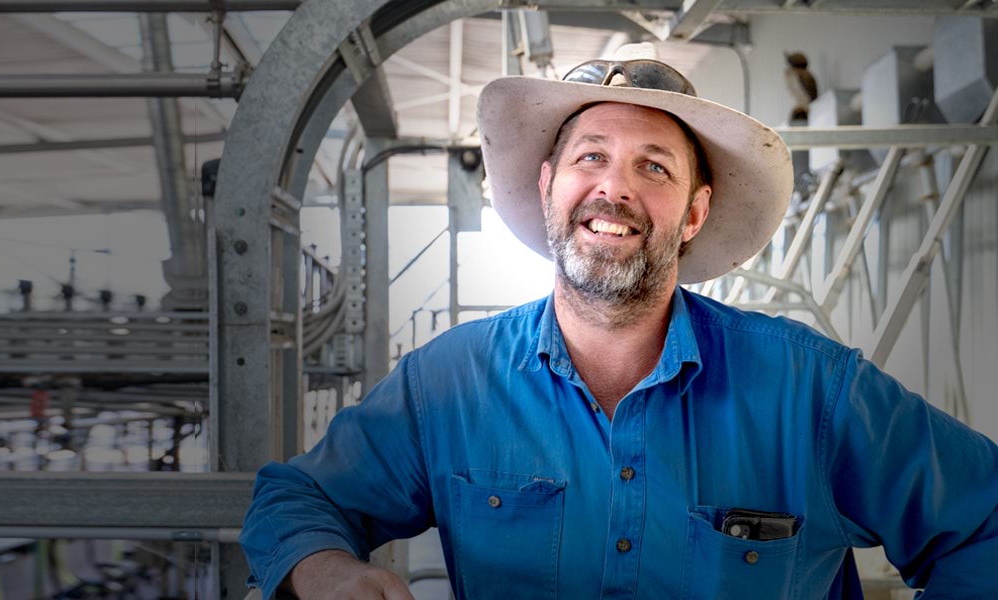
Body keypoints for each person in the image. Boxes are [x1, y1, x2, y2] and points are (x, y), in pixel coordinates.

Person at [240, 43, 998, 599]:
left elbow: (984, 521)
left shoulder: (813, 391)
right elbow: (298, 497)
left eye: (654, 167)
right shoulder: (449, 383)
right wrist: (328, 570)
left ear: (695, 211)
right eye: (590, 157)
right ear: (548, 187)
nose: (615, 189)